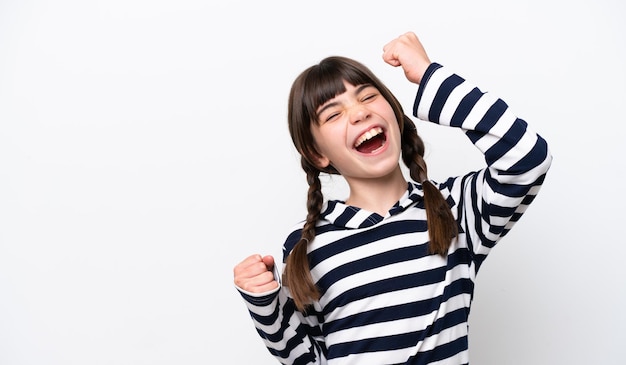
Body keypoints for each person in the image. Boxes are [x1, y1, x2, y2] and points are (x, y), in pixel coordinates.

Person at [233, 31, 552, 364]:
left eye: (368, 97)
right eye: (333, 114)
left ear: (395, 113)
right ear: (316, 154)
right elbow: (307, 359)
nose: (359, 113)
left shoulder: (455, 210)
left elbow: (528, 158)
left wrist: (432, 76)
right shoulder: (306, 244)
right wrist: (265, 303)